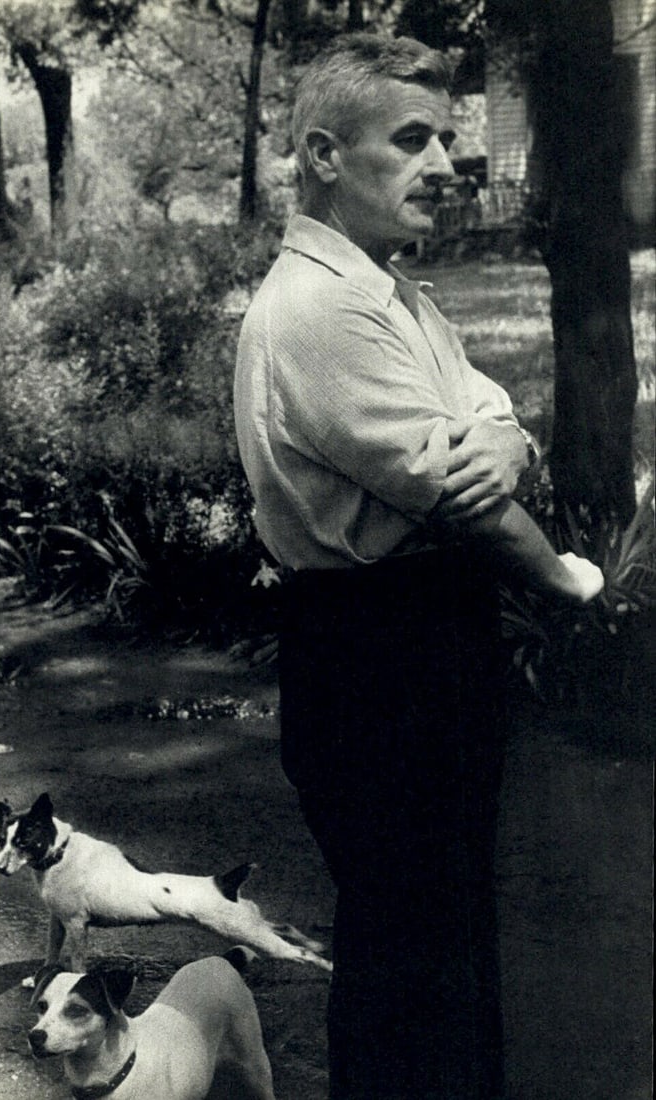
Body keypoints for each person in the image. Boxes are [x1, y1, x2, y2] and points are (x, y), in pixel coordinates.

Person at [233, 33, 604, 1100]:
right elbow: (464, 500)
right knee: (410, 965)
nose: (446, 163)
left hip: (425, 643)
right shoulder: (325, 309)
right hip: (377, 651)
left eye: (444, 138)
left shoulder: (398, 296)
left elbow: (490, 423)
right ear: (322, 154)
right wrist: (569, 579)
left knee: (443, 947)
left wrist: (502, 438)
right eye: (411, 139)